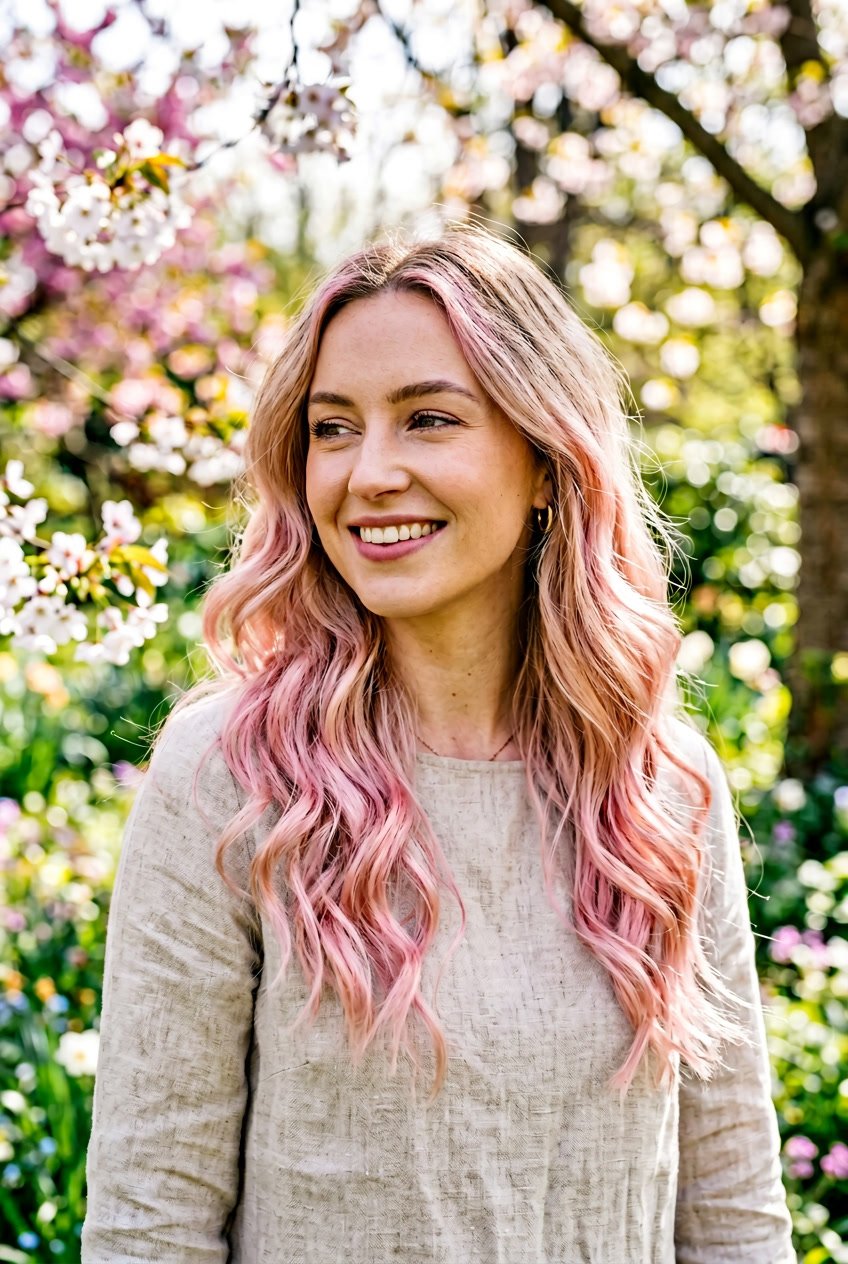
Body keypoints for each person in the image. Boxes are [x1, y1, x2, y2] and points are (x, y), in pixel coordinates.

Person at [81, 221, 796, 1262]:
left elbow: (731, 1215)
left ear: (546, 460)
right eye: (332, 428)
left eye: (426, 419)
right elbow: (150, 1222)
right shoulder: (227, 779)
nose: (368, 473)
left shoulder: (661, 792)